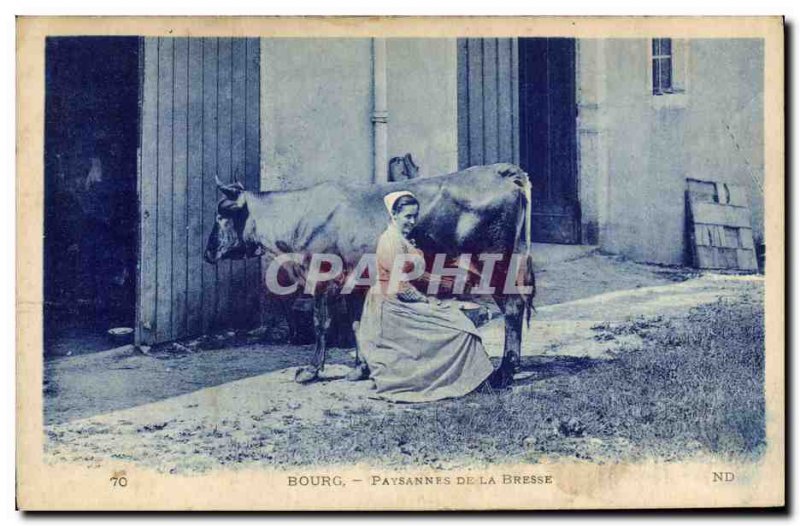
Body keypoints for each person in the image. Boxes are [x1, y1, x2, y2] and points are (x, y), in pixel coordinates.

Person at [356, 191, 495, 402]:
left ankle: (467, 378)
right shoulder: (390, 241)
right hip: (391, 306)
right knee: (459, 327)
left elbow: (416, 274)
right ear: (393, 215)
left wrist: (446, 283)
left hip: (402, 299)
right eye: (407, 216)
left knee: (456, 319)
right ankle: (454, 380)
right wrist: (427, 301)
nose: (412, 221)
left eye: (415, 216)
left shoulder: (404, 239)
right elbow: (401, 285)